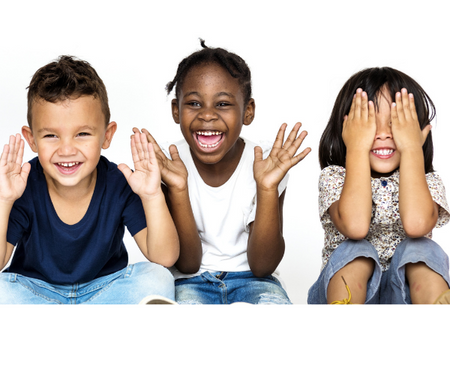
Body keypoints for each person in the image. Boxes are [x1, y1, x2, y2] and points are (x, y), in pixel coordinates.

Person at [135, 40, 311, 304]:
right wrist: (178, 188)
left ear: (247, 111)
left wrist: (267, 188)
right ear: (176, 110)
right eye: (194, 103)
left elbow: (263, 265)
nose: (207, 115)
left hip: (254, 281)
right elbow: (188, 263)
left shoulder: (266, 163)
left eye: (223, 104)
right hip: (189, 280)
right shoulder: (167, 164)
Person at [0, 55, 179, 304]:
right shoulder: (23, 184)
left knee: (158, 277)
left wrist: (152, 196)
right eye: (51, 135)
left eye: (82, 134)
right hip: (38, 294)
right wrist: (4, 200)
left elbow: (165, 257)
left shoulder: (120, 182)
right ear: (32, 140)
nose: (66, 150)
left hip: (104, 292)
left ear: (107, 136)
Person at [308, 67, 450, 304]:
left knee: (422, 249)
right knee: (356, 250)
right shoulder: (335, 177)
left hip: (407, 298)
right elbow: (355, 227)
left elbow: (416, 226)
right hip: (348, 293)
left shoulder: (428, 181)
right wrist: (357, 148)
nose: (383, 134)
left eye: (396, 124)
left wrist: (412, 148)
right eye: (369, 124)